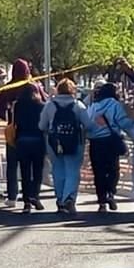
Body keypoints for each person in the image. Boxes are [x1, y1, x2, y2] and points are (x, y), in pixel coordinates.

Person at [0, 59, 46, 207]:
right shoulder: (35, 86)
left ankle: (12, 196)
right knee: (35, 168)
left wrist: (9, 119)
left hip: (13, 132)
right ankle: (33, 196)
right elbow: (46, 103)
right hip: (36, 134)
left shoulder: (9, 87)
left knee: (12, 165)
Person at [39, 79, 93, 216]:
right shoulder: (78, 105)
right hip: (74, 142)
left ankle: (60, 200)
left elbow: (41, 126)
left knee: (58, 170)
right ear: (73, 90)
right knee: (73, 170)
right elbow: (88, 125)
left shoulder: (49, 105)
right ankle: (69, 198)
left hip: (54, 142)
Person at [87, 82, 134, 212]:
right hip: (110, 142)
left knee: (99, 172)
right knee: (113, 169)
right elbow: (123, 123)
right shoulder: (115, 105)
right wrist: (132, 123)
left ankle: (102, 202)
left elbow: (87, 125)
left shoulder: (93, 106)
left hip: (95, 143)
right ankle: (110, 193)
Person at [12, 84, 47, 214]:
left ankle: (26, 201)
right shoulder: (41, 106)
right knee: (37, 171)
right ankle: (35, 196)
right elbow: (44, 125)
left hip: (22, 140)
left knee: (25, 171)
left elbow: (14, 122)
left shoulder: (17, 105)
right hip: (38, 140)